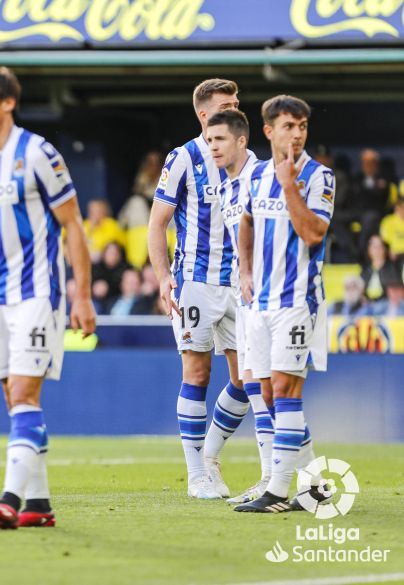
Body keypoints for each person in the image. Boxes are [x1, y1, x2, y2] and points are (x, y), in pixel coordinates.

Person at [0, 65, 96, 529]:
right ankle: (40, 505)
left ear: (8, 103)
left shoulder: (38, 154)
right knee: (17, 403)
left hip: (37, 294)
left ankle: (9, 497)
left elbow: (73, 225)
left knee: (26, 394)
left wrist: (81, 295)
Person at [235, 95, 334, 513]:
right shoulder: (255, 176)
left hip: (297, 300)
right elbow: (246, 220)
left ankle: (276, 491)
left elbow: (313, 234)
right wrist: (244, 270)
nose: (296, 133)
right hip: (261, 303)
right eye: (289, 126)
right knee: (270, 396)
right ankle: (316, 488)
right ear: (269, 131)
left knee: (285, 390)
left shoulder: (318, 176)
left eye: (302, 126)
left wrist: (289, 183)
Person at [147, 79, 244, 500]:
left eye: (237, 104)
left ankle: (210, 456)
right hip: (195, 284)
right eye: (226, 105)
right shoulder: (183, 158)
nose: (235, 110)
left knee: (247, 380)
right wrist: (163, 276)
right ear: (204, 115)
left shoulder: (248, 158)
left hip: (240, 283)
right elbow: (157, 223)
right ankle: (196, 476)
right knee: (197, 372)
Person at [205, 109, 273, 504]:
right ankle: (271, 478)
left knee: (270, 385)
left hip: (269, 296)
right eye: (210, 140)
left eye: (220, 140)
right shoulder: (227, 188)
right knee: (253, 382)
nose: (213, 147)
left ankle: (277, 479)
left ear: (242, 141)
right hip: (243, 294)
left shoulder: (262, 178)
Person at [362, 234, 398, 301]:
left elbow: (394, 291)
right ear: (369, 250)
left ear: (385, 249)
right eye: (374, 246)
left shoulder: (393, 268)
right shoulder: (365, 270)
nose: (377, 249)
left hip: (386, 303)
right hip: (368, 305)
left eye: (379, 246)